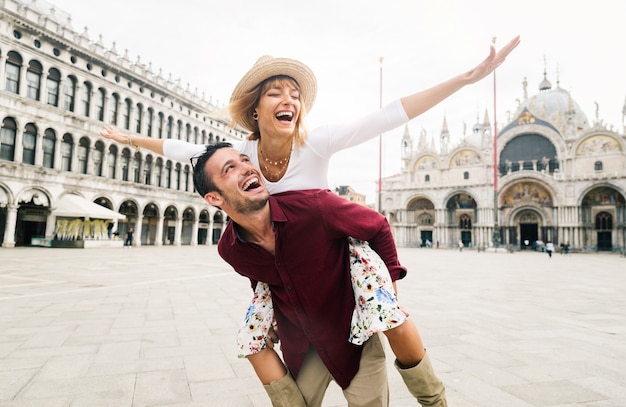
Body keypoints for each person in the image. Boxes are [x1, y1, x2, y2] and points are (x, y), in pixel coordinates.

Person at [100, 37, 519, 405]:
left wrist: (464, 79)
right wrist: (129, 139)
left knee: (389, 315)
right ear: (255, 108)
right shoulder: (242, 152)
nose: (290, 100)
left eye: (295, 94)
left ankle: (433, 397)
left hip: (336, 249)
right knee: (256, 334)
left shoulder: (316, 144)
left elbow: (390, 114)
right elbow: (185, 149)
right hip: (280, 259)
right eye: (276, 93)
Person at [192, 142, 447, 406]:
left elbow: (378, 226)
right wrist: (270, 324)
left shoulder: (314, 207)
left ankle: (435, 401)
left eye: (245, 160)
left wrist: (389, 294)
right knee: (253, 343)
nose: (247, 168)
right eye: (230, 168)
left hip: (354, 338)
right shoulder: (230, 249)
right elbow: (260, 280)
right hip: (302, 346)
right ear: (214, 198)